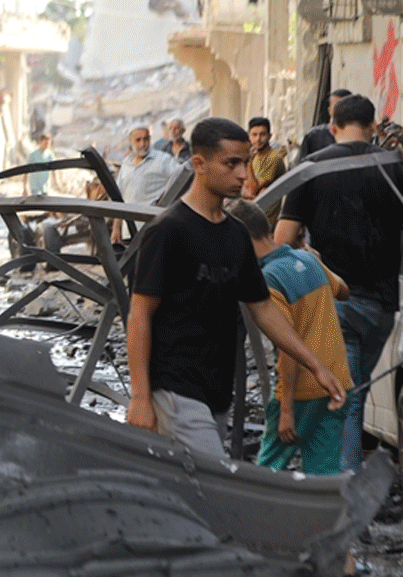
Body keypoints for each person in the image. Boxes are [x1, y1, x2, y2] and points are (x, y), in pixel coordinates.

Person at [124, 117, 346, 458]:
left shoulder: (237, 234)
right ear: (199, 164)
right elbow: (139, 315)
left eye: (244, 163)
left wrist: (314, 364)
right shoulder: (168, 231)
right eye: (231, 164)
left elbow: (263, 308)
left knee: (191, 492)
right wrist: (140, 397)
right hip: (174, 388)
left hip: (216, 389)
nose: (243, 174)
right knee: (215, 485)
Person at [276, 94, 403, 471]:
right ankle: (341, 484)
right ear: (374, 127)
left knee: (341, 397)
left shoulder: (313, 167)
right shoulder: (396, 167)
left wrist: (305, 254)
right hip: (382, 305)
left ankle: (340, 491)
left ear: (332, 128)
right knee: (353, 394)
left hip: (335, 302)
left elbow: (282, 240)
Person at [226, 199, 350, 474]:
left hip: (301, 391)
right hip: (337, 382)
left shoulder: (267, 279)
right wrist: (317, 264)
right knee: (322, 476)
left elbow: (287, 347)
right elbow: (343, 290)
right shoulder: (306, 258)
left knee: (267, 471)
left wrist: (285, 410)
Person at [111, 127, 180, 243]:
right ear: (130, 142)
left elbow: (183, 179)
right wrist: (116, 228)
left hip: (153, 230)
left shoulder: (163, 160)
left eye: (146, 139)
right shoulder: (126, 164)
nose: (143, 144)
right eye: (138, 140)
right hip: (129, 232)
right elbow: (119, 198)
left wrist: (166, 199)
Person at [242, 117, 286, 227]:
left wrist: (248, 164)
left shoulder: (273, 158)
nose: (258, 139)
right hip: (253, 216)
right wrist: (250, 194)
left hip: (265, 222)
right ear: (249, 136)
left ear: (270, 136)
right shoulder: (255, 156)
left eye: (262, 134)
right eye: (254, 135)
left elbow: (252, 189)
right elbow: (243, 187)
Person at [297, 89, 353, 162]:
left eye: (345, 107)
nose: (342, 110)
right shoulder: (314, 136)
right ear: (330, 110)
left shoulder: (360, 134)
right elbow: (300, 166)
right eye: (337, 106)